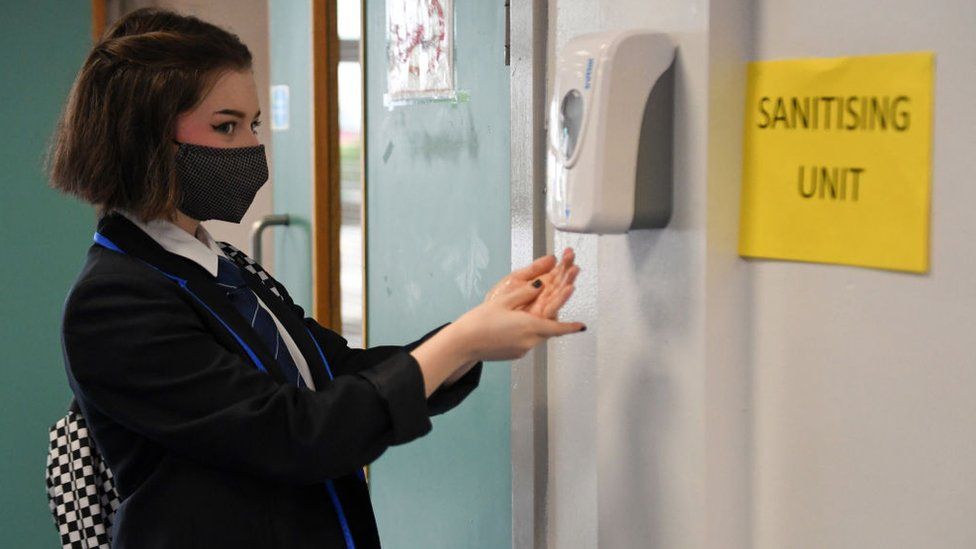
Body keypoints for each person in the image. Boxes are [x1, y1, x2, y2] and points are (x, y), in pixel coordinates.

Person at [47, 8, 584, 549]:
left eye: (253, 125)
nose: (250, 149)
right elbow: (295, 434)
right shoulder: (113, 304)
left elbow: (336, 374)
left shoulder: (223, 268)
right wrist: (466, 339)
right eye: (225, 126)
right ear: (144, 139)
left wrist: (472, 335)